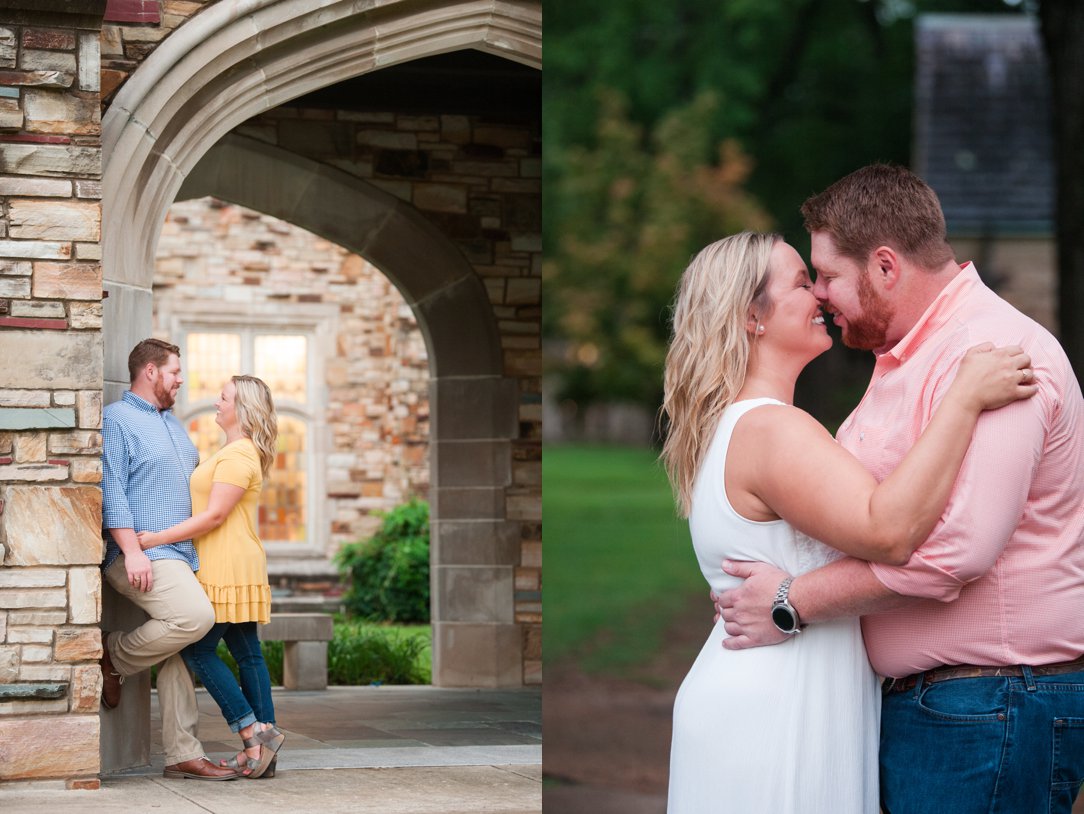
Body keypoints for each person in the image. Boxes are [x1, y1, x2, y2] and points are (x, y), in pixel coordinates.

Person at [716, 164, 1084, 814]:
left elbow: (954, 556)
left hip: (991, 704)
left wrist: (791, 601)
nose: (821, 294)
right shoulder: (911, 357)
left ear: (886, 267)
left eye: (827, 276)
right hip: (946, 710)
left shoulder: (994, 355)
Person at [659, 231, 1036, 813]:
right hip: (776, 710)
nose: (820, 296)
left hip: (772, 693)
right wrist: (963, 398)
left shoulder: (738, 426)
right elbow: (887, 530)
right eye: (800, 283)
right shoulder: (770, 429)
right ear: (751, 316)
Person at [100, 338, 238, 781]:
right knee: (194, 618)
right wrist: (132, 550)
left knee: (183, 649)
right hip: (140, 553)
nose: (182, 379)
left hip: (180, 555)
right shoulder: (117, 420)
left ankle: (182, 752)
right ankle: (113, 656)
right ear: (151, 371)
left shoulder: (174, 426)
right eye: (175, 371)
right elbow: (111, 488)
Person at [137, 375, 285, 779]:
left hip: (226, 564)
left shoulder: (238, 455)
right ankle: (265, 749)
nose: (215, 403)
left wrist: (155, 539)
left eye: (223, 398)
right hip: (236, 561)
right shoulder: (238, 450)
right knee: (247, 653)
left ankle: (251, 732)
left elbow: (214, 516)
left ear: (242, 408)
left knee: (198, 651)